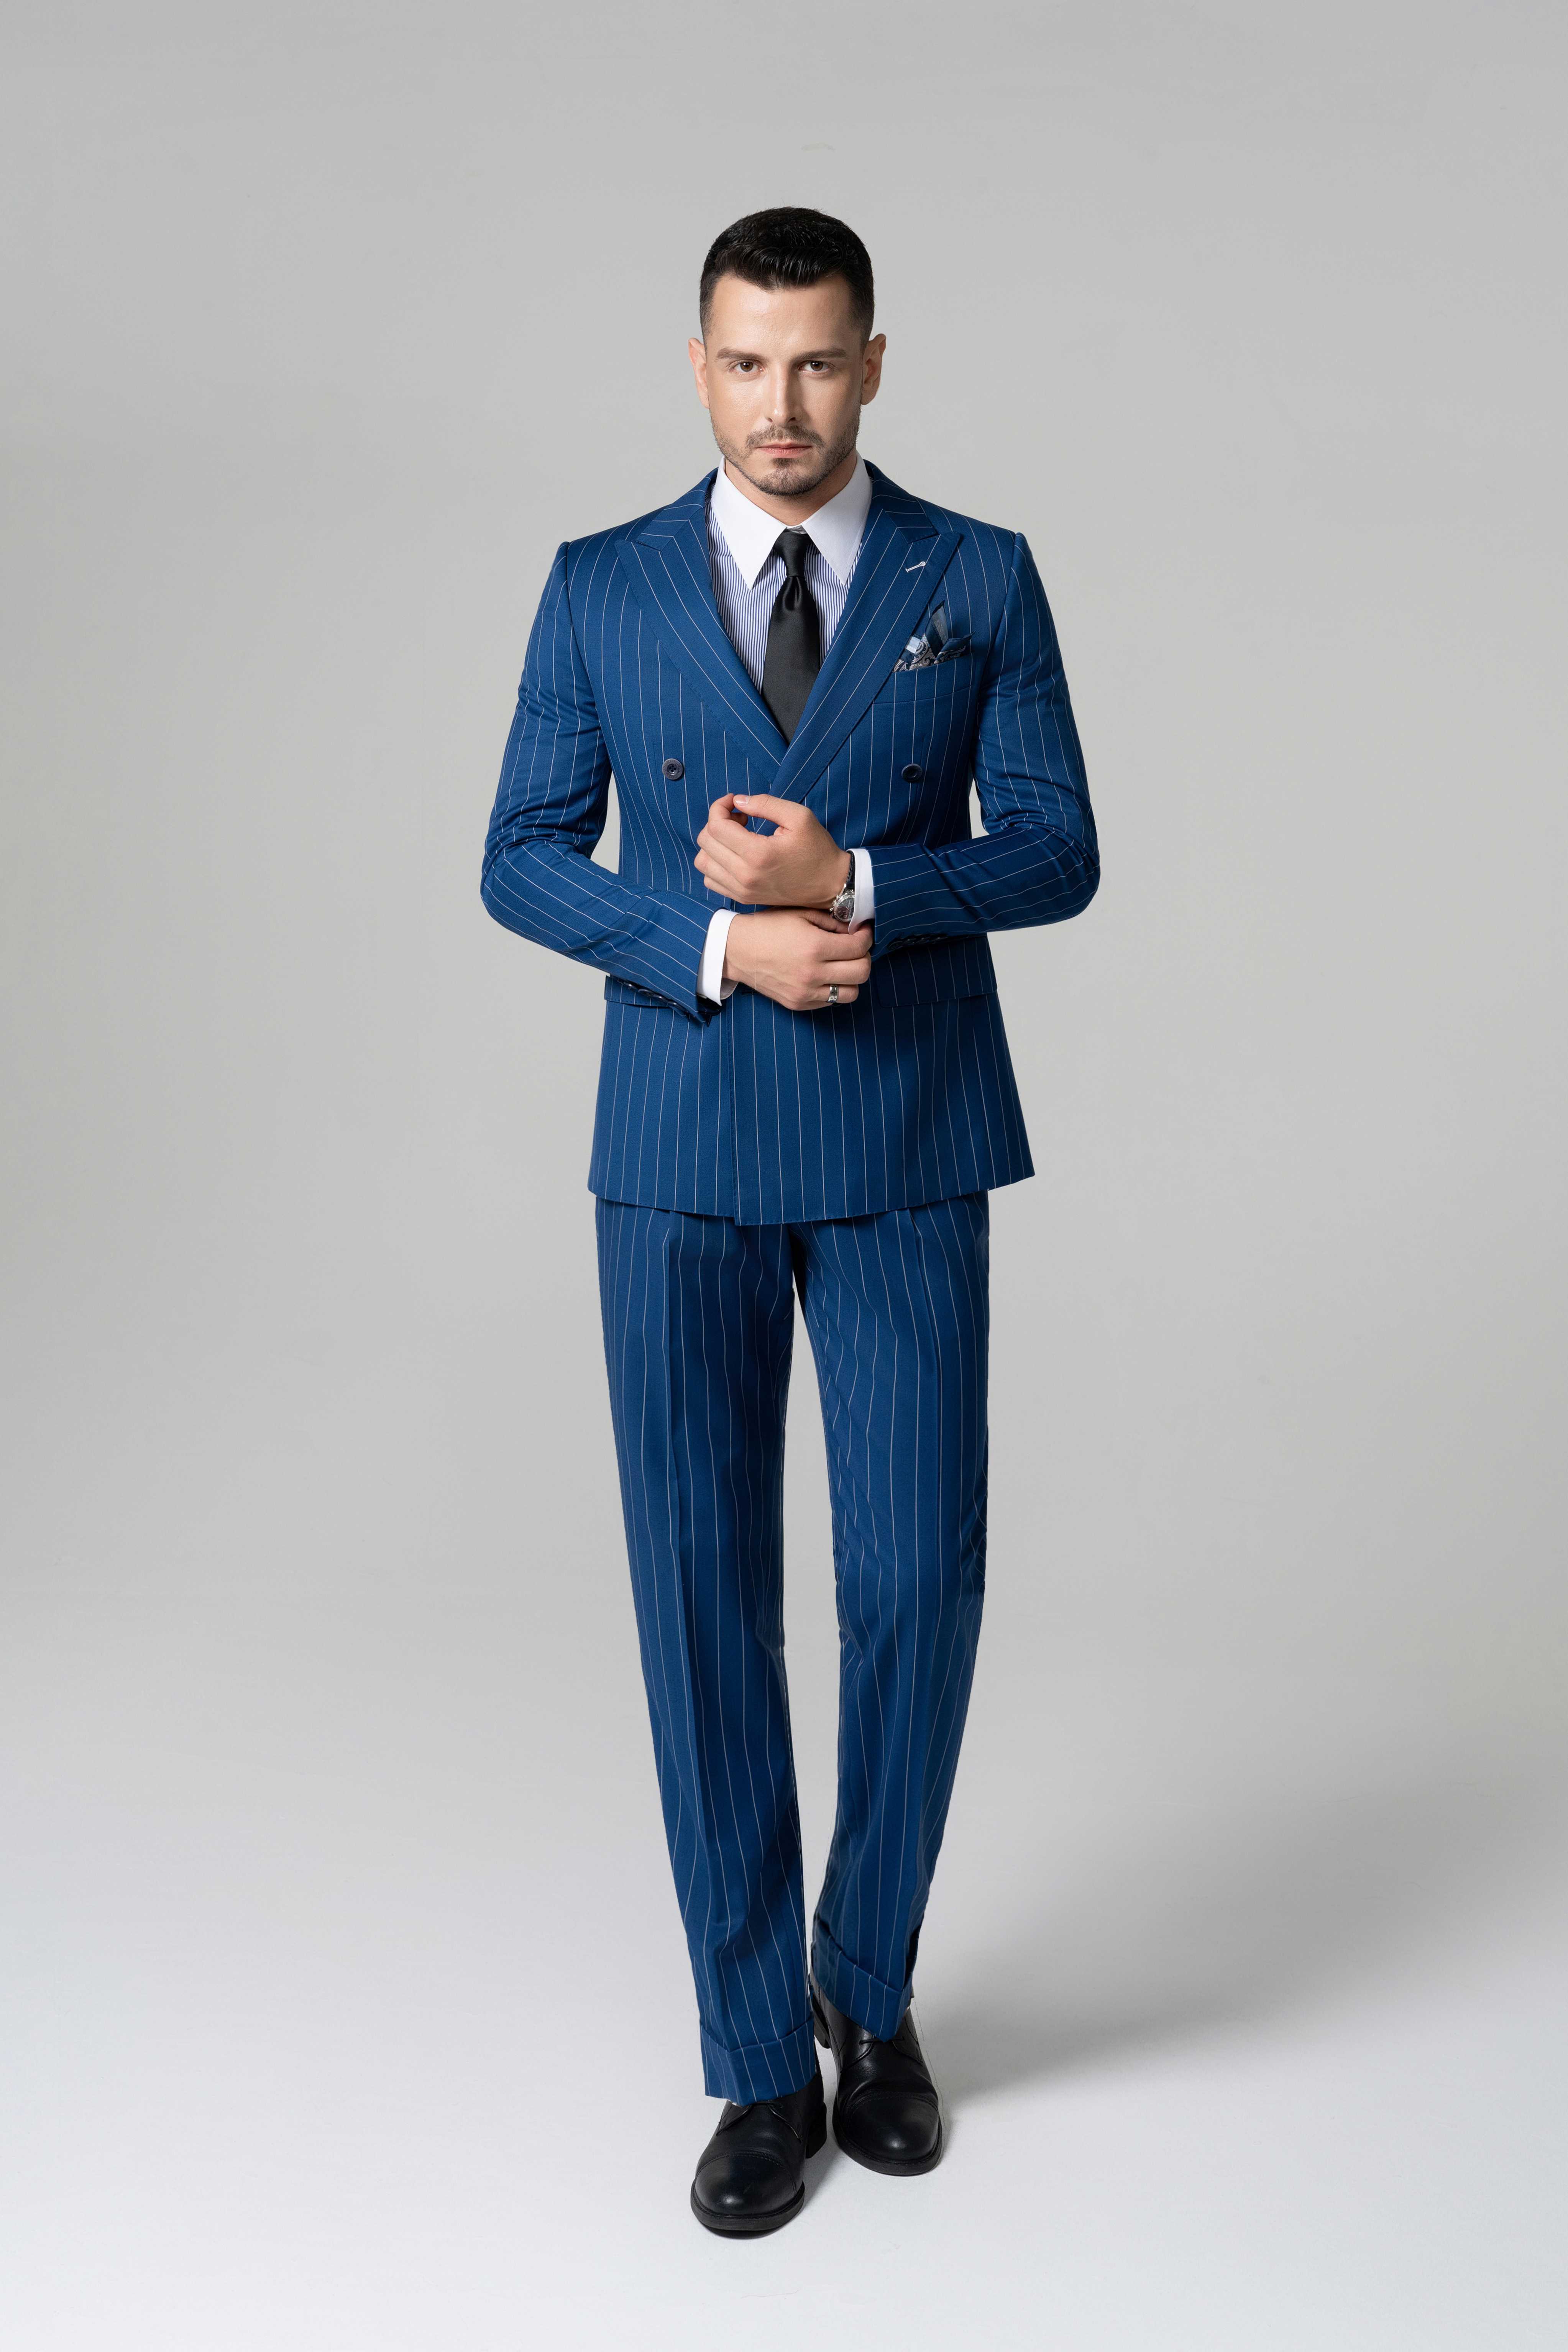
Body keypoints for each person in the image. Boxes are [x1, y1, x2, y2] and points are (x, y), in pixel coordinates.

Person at [481, 206, 1098, 2235]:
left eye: (819, 361)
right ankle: (758, 2059)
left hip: (908, 1134)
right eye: (748, 364)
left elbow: (1063, 850)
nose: (784, 405)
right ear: (699, 368)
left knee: (917, 1583)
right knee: (701, 1599)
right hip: (679, 1148)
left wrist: (863, 887)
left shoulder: (974, 574)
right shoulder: (600, 585)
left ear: (875, 363)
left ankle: (871, 1991)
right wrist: (719, 944)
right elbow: (518, 858)